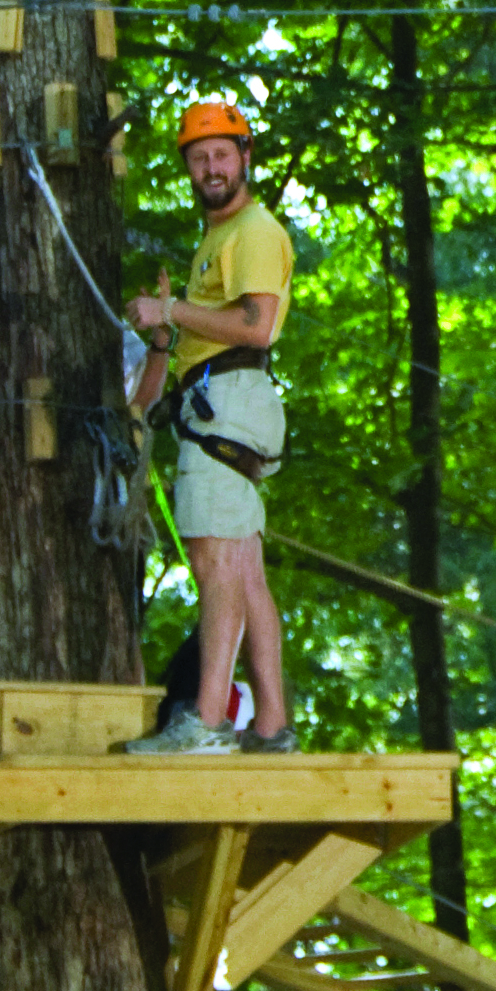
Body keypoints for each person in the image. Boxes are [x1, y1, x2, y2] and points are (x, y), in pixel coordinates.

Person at [124, 100, 297, 752]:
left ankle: (207, 720)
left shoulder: (251, 230)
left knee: (216, 561)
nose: (211, 167)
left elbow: (257, 324)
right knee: (245, 572)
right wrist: (171, 326)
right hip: (226, 402)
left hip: (227, 401)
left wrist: (170, 310)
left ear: (246, 156)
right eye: (199, 158)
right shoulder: (219, 239)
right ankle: (271, 724)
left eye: (222, 153)